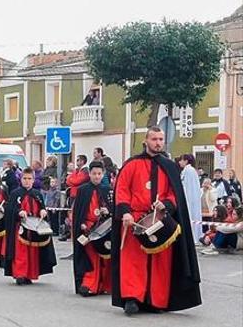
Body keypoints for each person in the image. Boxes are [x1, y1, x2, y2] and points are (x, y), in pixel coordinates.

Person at [111, 126, 201, 315]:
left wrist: (166, 205)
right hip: (134, 219)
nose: (158, 143)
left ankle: (155, 300)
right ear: (146, 141)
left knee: (160, 262)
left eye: (161, 139)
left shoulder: (169, 166)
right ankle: (132, 298)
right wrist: (125, 212)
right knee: (133, 261)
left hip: (159, 220)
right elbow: (122, 190)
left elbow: (174, 193)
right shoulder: (131, 165)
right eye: (154, 139)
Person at [1, 168, 57, 285]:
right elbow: (10, 210)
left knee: (33, 253)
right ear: (21, 179)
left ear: (33, 180)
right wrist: (18, 212)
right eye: (24, 179)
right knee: (21, 253)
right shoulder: (15, 193)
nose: (27, 181)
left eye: (29, 179)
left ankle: (30, 274)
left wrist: (43, 211)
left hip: (34, 228)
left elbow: (41, 207)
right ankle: (20, 274)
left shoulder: (37, 194)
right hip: (20, 229)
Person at [71, 161, 113, 296]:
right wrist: (81, 223)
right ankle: (89, 285)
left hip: (104, 228)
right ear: (89, 174)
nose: (96, 176)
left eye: (99, 174)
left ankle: (105, 285)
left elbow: (114, 210)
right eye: (94, 173)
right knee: (91, 258)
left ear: (103, 174)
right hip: (89, 228)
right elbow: (78, 211)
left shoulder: (108, 190)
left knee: (106, 258)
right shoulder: (83, 190)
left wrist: (107, 211)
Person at [178, 154, 203, 242]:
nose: (179, 162)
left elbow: (188, 188)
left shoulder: (189, 171)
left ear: (186, 161)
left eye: (181, 160)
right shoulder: (186, 170)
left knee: (191, 216)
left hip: (190, 199)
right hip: (188, 198)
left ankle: (193, 236)